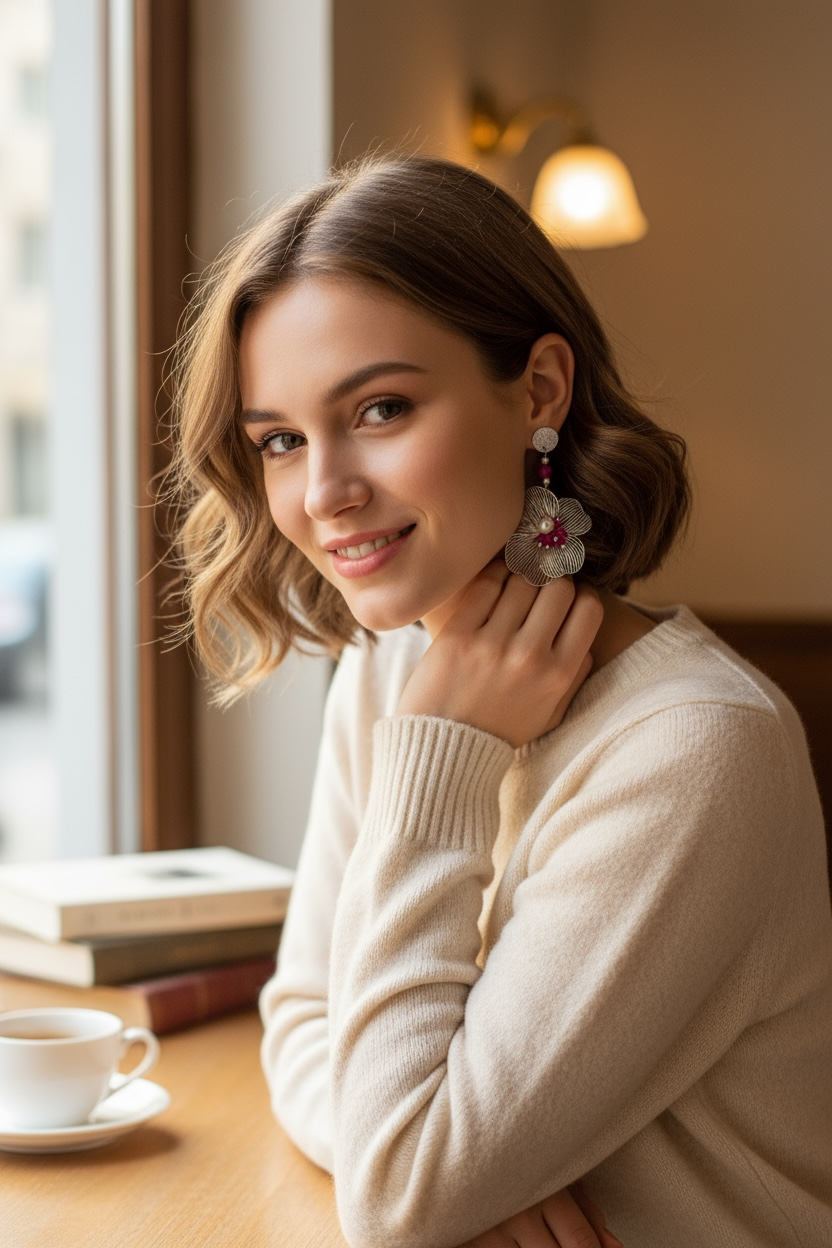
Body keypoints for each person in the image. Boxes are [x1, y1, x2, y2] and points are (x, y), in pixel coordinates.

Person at [171, 155, 832, 1248]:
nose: (323, 492)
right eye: (280, 439)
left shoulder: (693, 752)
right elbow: (302, 1019)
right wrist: (436, 1173)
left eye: (380, 408)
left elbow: (401, 1202)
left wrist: (425, 1175)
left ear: (538, 391)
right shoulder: (390, 673)